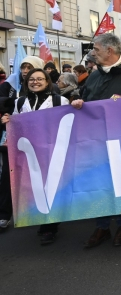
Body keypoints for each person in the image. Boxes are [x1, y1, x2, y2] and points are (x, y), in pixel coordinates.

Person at [71, 33, 121, 248]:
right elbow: (86, 98)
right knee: (99, 183)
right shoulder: (95, 75)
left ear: (110, 51)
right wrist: (79, 102)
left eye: (96, 50)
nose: (92, 53)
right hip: (96, 140)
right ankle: (102, 226)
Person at [1, 68, 69, 244]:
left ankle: (50, 227)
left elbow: (70, 121)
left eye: (39, 79)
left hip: (51, 151)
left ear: (47, 82)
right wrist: (8, 121)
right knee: (35, 188)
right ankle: (41, 221)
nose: (35, 82)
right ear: (26, 82)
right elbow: (15, 125)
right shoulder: (19, 101)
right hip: (29, 152)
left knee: (51, 188)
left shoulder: (59, 100)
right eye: (31, 79)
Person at [0, 55, 45, 230]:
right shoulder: (9, 86)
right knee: (7, 176)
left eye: (29, 67)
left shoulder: (45, 89)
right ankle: (4, 214)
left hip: (38, 142)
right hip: (12, 139)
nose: (25, 71)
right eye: (23, 68)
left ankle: (39, 215)